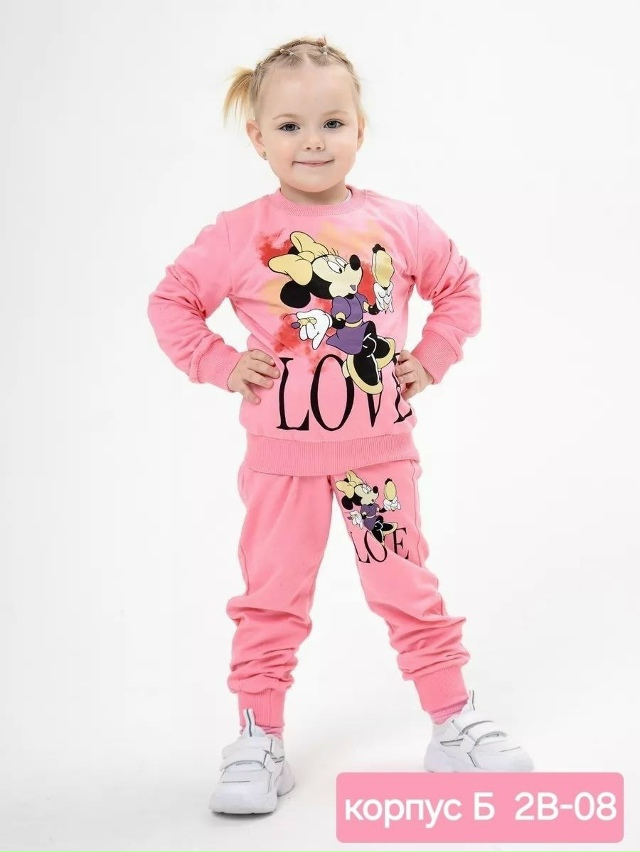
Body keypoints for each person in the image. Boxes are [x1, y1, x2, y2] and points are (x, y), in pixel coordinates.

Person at [147, 34, 534, 816]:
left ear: (360, 129)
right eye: (290, 126)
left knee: (406, 587)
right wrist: (223, 364)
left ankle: (452, 723)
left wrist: (431, 356)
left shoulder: (401, 222)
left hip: (378, 461)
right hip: (282, 466)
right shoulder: (240, 232)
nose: (313, 141)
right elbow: (172, 303)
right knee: (272, 598)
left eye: (331, 123)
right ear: (258, 137)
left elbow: (459, 288)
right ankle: (258, 738)